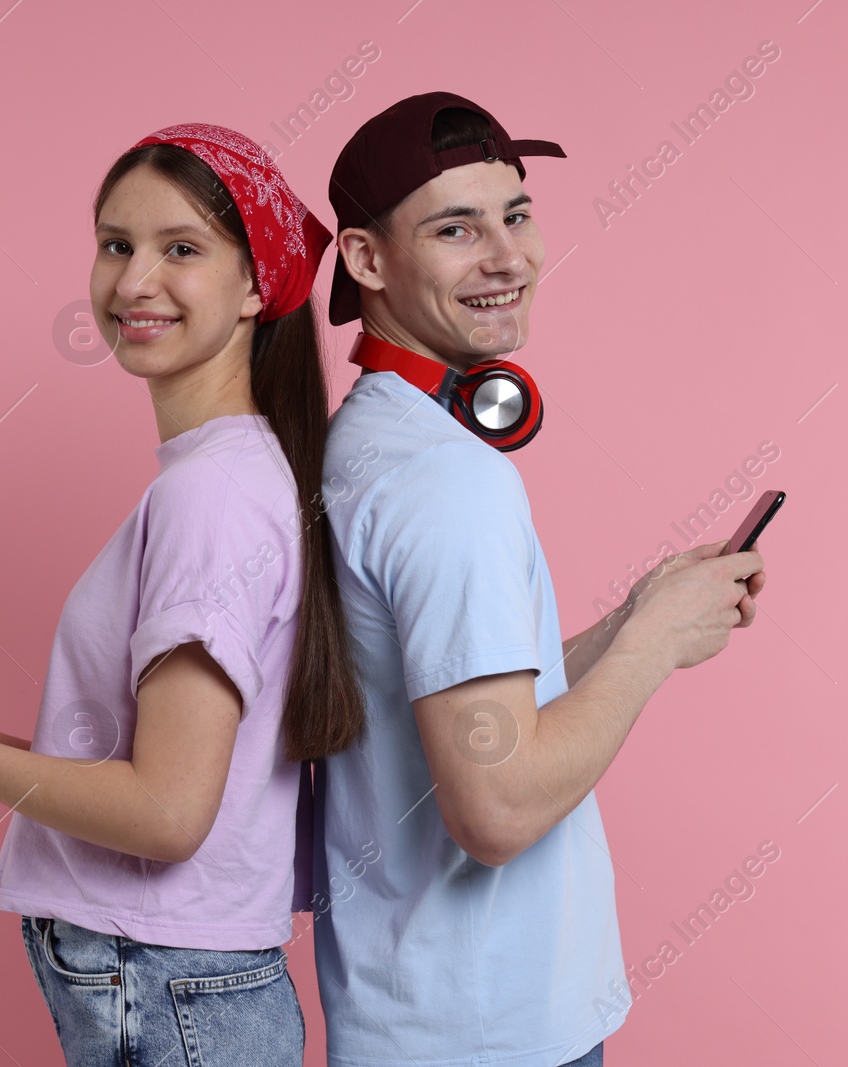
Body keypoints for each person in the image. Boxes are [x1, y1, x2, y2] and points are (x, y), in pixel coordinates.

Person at [0, 122, 365, 1066]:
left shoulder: (212, 498)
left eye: (180, 249)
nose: (133, 281)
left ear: (258, 285)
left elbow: (166, 815)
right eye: (116, 244)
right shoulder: (233, 476)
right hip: (179, 981)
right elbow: (166, 778)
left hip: (166, 980)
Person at [310, 92, 769, 1066]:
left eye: (515, 215)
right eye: (455, 228)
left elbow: (448, 708)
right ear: (365, 259)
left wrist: (633, 618)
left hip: (422, 1021)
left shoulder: (371, 436)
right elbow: (496, 804)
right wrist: (649, 650)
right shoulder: (447, 481)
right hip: (489, 1036)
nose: (508, 257)